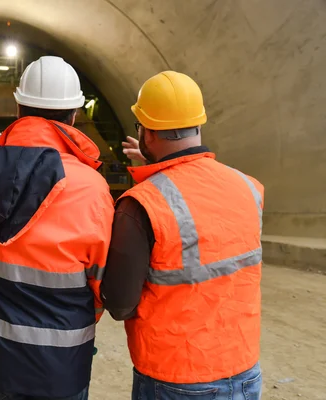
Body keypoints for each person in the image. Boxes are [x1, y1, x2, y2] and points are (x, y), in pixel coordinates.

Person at [0, 56, 114, 400]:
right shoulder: (89, 186)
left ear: (19, 107)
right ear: (74, 115)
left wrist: (4, 138)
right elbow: (103, 283)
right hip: (58, 363)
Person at [101, 71, 264, 399]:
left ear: (147, 132)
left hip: (176, 377)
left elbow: (120, 304)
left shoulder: (141, 205)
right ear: (199, 125)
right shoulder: (248, 187)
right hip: (245, 371)